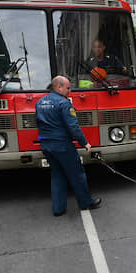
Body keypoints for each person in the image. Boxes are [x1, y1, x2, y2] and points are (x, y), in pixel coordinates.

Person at [36, 75, 102, 216]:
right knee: (77, 174)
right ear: (58, 87)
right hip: (62, 145)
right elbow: (73, 127)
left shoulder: (40, 102)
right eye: (67, 88)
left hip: (46, 145)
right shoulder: (64, 103)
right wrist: (85, 143)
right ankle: (85, 203)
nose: (69, 91)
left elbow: (39, 123)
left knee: (57, 175)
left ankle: (58, 209)